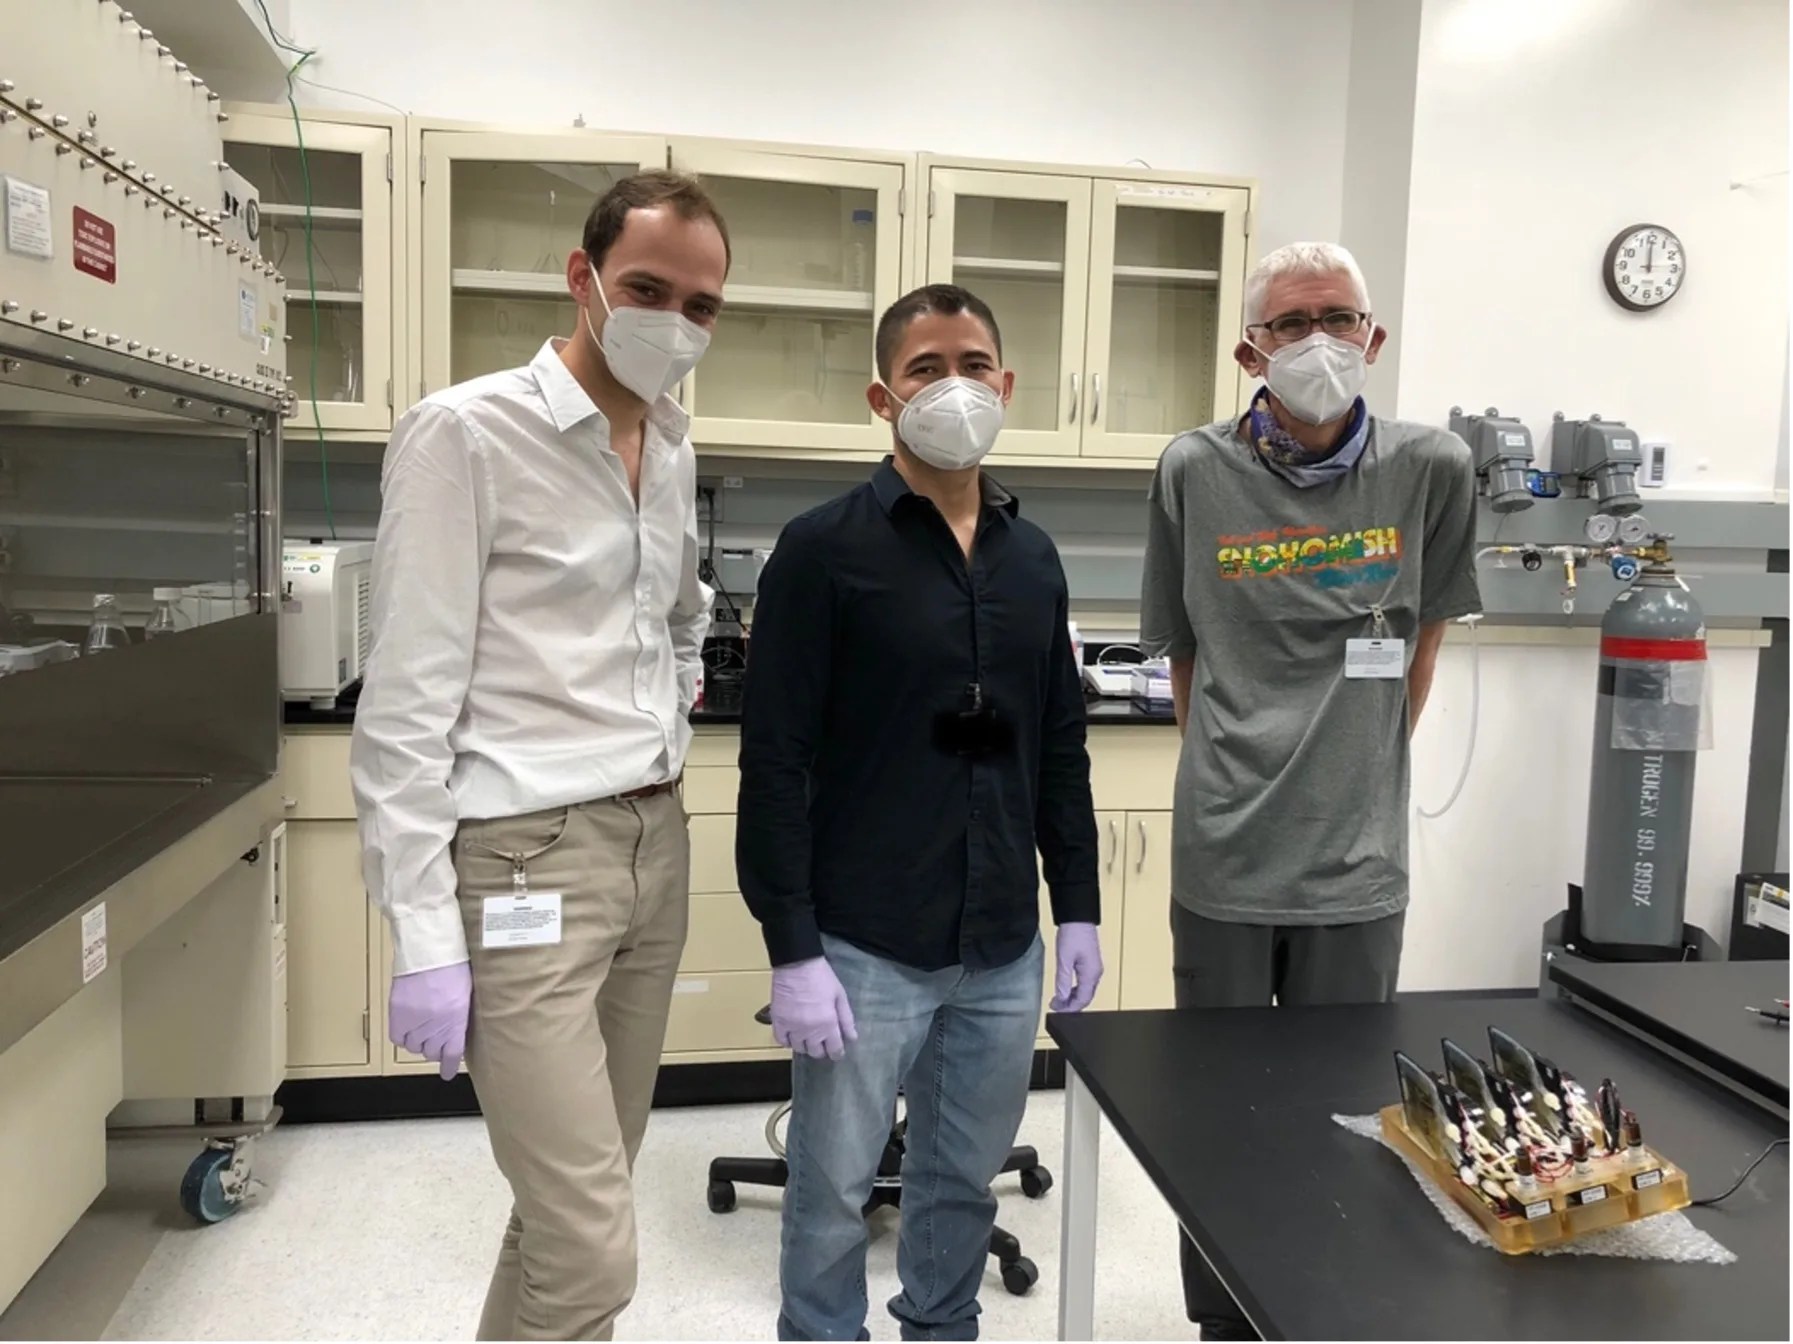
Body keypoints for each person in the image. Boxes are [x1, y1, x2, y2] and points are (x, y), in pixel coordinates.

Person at [349, 171, 727, 1341]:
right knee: (592, 1247)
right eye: (646, 289)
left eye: (701, 304)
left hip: (650, 846)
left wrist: (670, 708)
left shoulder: (667, 439)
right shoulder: (464, 433)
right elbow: (403, 707)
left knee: (576, 1198)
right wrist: (421, 937)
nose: (675, 320)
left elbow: (674, 613)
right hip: (525, 863)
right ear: (582, 279)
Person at [737, 283, 1103, 1342]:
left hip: (998, 944)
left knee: (961, 1181)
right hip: (864, 945)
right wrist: (790, 945)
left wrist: (1071, 904)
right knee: (831, 1187)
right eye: (925, 368)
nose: (954, 385)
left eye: (974, 364)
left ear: (1007, 384)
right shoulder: (821, 550)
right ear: (879, 397)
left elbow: (1056, 746)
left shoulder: (1031, 558)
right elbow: (774, 762)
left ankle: (942, 1327)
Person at [1139, 241, 1482, 1339]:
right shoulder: (1191, 470)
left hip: (1357, 863)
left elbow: (1421, 645)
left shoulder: (1432, 469)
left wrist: (1348, 774)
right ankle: (1221, 1320)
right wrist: (1241, 772)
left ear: (1371, 340)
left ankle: (1327, 1309)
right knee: (1222, 1113)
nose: (1315, 341)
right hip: (1225, 859)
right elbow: (1184, 657)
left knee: (1346, 1113)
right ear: (1250, 347)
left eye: (1337, 318)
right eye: (1289, 323)